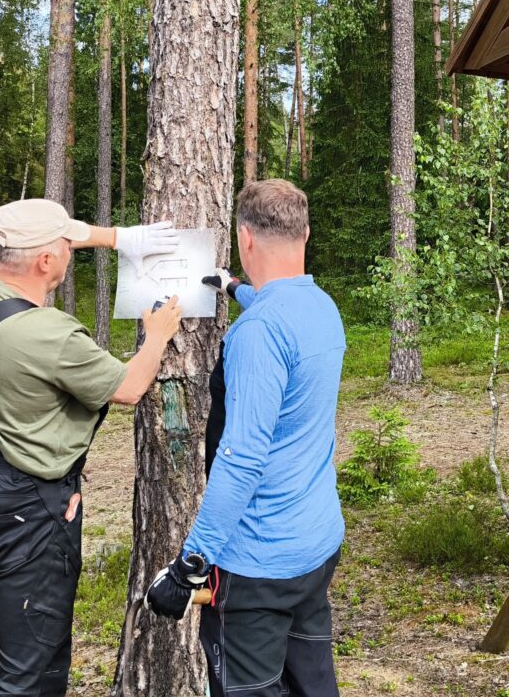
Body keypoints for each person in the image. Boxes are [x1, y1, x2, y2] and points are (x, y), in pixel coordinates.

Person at [0, 198, 184, 697]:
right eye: (65, 243)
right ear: (46, 261)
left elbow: (21, 236)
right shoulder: (51, 335)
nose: (71, 247)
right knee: (30, 671)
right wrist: (156, 337)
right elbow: (129, 387)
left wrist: (119, 238)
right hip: (30, 514)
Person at [146, 179, 346, 697]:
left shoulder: (258, 334)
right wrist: (234, 288)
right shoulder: (320, 307)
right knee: (312, 683)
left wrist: (191, 565)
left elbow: (242, 459)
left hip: (259, 566)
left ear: (245, 238)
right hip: (316, 545)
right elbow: (278, 305)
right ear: (304, 233)